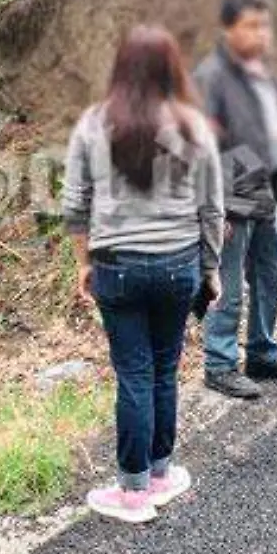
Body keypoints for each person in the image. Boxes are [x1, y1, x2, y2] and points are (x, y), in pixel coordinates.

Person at [62, 26, 224, 524]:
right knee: (164, 367)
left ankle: (132, 492)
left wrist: (83, 262)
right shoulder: (193, 126)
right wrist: (211, 269)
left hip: (118, 267)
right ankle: (160, 473)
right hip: (178, 266)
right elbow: (211, 210)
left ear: (121, 68)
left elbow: (74, 203)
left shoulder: (94, 123)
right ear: (172, 68)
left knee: (133, 371)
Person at [192, 0, 277, 400]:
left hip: (266, 191)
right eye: (251, 26)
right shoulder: (211, 77)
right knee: (227, 281)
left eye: (266, 25)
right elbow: (200, 148)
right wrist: (215, 208)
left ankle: (262, 351)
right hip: (230, 197)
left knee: (272, 272)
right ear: (228, 30)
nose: (261, 34)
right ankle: (220, 363)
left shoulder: (265, 73)